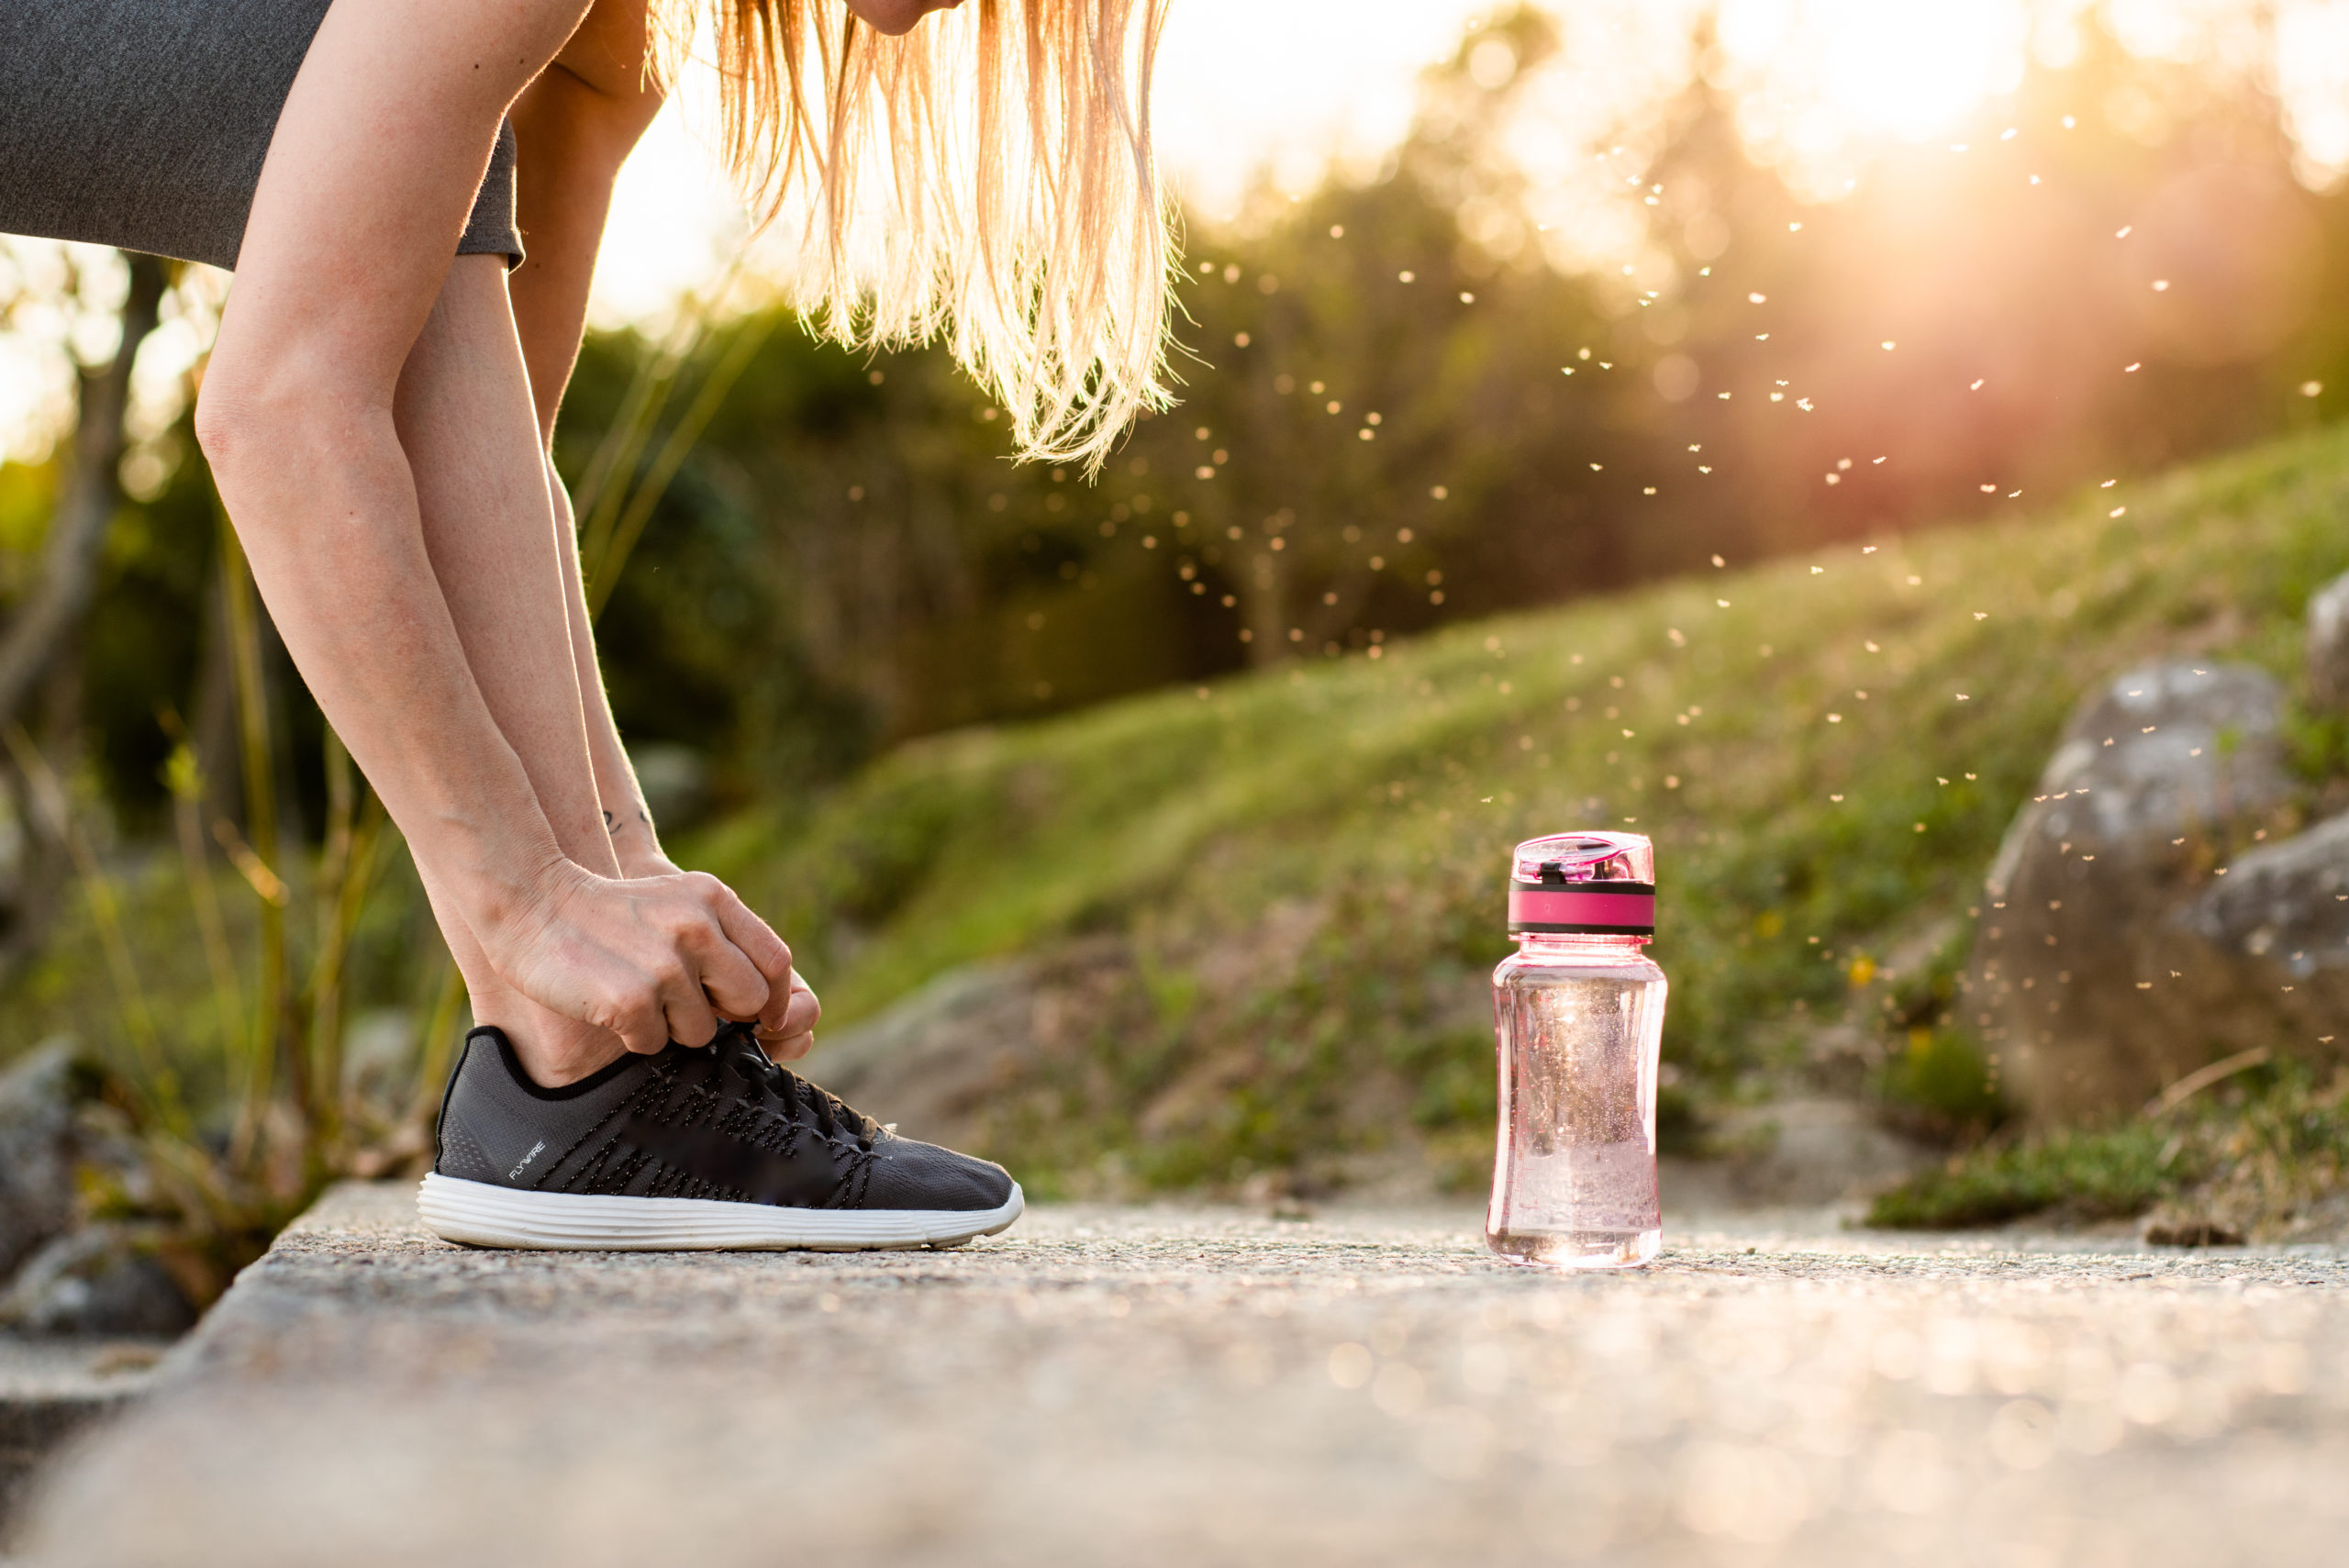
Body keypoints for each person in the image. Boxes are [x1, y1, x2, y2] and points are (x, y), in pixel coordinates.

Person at [0, 0, 1173, 1249]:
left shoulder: (607, 52)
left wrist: (621, 872)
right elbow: (282, 407)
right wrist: (526, 903)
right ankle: (566, 1069)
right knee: (341, 84)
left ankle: (576, 1083)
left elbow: (484, 453)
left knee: (406, 160)